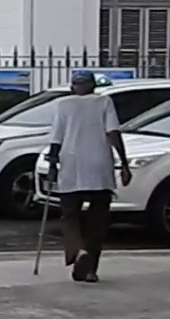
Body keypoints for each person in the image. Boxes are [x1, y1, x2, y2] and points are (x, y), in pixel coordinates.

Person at [46, 70, 132, 283]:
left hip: (71, 164)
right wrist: (124, 163)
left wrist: (53, 164)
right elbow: (113, 133)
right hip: (99, 165)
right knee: (97, 220)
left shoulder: (63, 105)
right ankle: (91, 268)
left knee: (70, 216)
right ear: (93, 86)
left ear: (73, 86)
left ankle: (76, 252)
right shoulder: (104, 102)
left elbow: (56, 137)